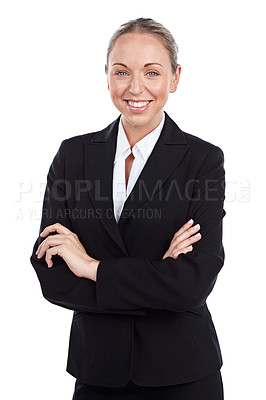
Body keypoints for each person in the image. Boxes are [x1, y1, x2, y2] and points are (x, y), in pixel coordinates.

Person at [30, 17, 225, 400]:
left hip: (183, 372)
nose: (136, 88)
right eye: (122, 72)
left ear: (174, 78)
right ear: (106, 76)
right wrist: (158, 276)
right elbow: (51, 273)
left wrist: (91, 268)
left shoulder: (202, 160)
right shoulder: (73, 155)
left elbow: (194, 281)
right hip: (98, 372)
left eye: (152, 72)